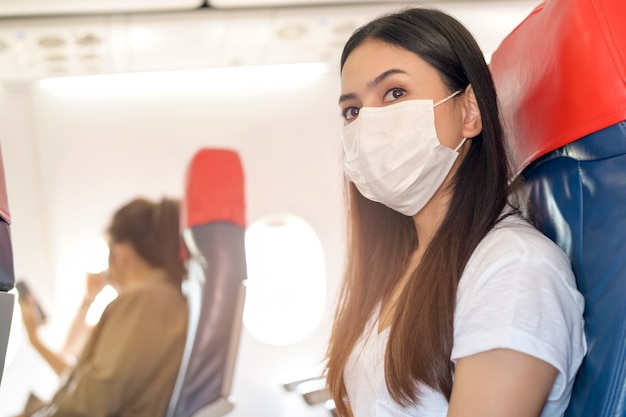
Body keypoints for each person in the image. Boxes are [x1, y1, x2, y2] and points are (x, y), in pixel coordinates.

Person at [324, 7, 586, 417]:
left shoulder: (514, 270)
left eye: (395, 93)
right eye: (353, 111)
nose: (368, 124)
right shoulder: (399, 266)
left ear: (470, 111)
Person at [17, 197, 188, 417]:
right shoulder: (159, 298)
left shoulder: (144, 301)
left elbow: (91, 401)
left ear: (120, 251)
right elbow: (78, 369)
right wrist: (88, 301)